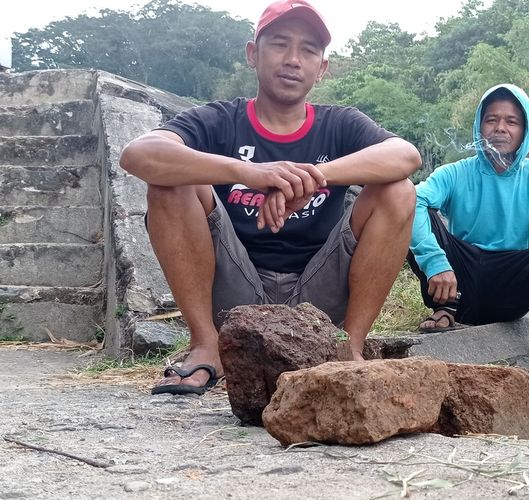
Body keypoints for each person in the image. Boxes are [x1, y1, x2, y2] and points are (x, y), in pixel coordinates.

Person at [119, 0, 421, 395]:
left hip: (319, 295)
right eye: (279, 44)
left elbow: (406, 156)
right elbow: (137, 155)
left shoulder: (340, 123)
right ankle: (207, 345)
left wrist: (311, 178)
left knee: (398, 190)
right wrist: (249, 172)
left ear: (322, 67)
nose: (293, 59)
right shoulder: (219, 119)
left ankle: (349, 348)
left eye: (308, 50)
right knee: (172, 181)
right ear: (252, 54)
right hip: (235, 291)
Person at [407, 84, 529, 411]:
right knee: (408, 207)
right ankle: (446, 309)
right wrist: (436, 262)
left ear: (525, 130)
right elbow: (414, 200)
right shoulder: (456, 173)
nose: (500, 128)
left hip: (510, 286)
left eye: (512, 121)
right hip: (461, 281)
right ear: (479, 126)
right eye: (491, 120)